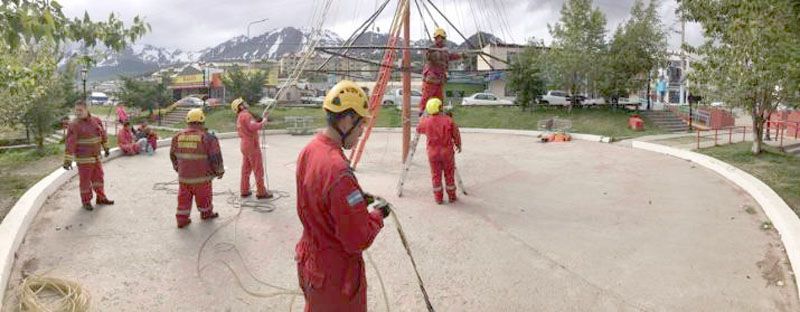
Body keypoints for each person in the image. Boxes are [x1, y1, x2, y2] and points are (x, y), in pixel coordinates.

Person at [295, 80, 391, 311]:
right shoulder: (339, 171)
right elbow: (357, 237)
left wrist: (356, 197)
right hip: (335, 276)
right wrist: (378, 214)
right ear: (347, 120)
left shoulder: (310, 150)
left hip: (310, 262)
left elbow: (319, 198)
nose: (360, 134)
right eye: (360, 126)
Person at [169, 108, 224, 228]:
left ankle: (181, 220)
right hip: (202, 179)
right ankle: (206, 214)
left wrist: (178, 168)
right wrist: (219, 171)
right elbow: (216, 157)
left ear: (188, 122)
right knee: (205, 198)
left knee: (183, 199)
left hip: (184, 178)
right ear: (202, 122)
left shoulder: (177, 136)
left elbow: (173, 156)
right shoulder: (208, 138)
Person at [63, 100, 114, 211]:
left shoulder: (96, 121)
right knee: (85, 181)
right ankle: (86, 201)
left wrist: (106, 148)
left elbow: (103, 135)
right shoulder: (74, 125)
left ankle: (101, 198)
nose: (78, 112)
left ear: (87, 109)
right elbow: (70, 143)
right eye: (76, 110)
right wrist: (67, 160)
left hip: (96, 158)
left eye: (80, 110)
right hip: (83, 159)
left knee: (99, 178)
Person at [417, 98, 462, 204]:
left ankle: (438, 198)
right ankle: (452, 197)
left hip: (433, 154)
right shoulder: (448, 120)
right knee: (449, 174)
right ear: (439, 108)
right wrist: (458, 145)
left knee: (436, 175)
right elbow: (456, 134)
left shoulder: (426, 122)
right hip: (447, 153)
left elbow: (419, 129)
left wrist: (422, 119)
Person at [232, 98, 272, 199]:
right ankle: (261, 192)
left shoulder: (240, 116)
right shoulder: (246, 115)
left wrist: (261, 119)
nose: (246, 103)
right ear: (241, 106)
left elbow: (250, 125)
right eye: (243, 102)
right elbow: (253, 127)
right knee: (258, 169)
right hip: (251, 145)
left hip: (245, 145)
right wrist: (264, 122)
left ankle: (244, 190)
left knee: (246, 169)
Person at [419, 28, 464, 115]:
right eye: (442, 38)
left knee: (439, 99)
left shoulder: (444, 50)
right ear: (437, 38)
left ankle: (439, 113)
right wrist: (434, 52)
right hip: (431, 78)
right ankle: (422, 110)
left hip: (439, 80)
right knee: (427, 96)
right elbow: (428, 56)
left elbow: (450, 56)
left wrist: (461, 55)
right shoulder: (432, 49)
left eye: (444, 38)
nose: (443, 40)